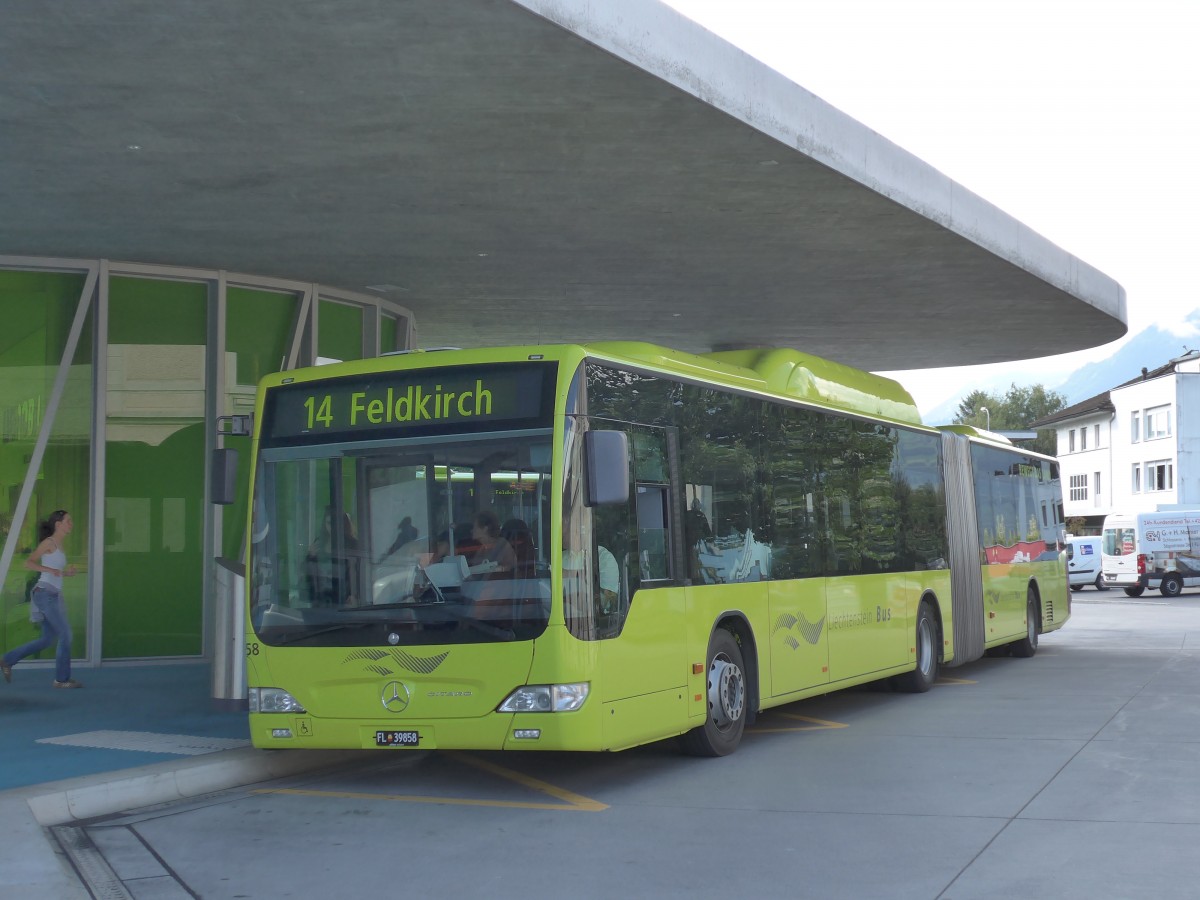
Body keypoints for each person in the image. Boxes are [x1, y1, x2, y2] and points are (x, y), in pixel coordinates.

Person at [2, 509, 83, 688]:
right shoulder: (49, 542)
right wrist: (50, 571)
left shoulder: (60, 546)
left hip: (54, 595)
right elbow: (29, 562)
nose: (71, 524)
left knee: (47, 639)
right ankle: (61, 680)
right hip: (45, 594)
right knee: (65, 634)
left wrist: (66, 573)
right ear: (58, 524)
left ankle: (7, 660)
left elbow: (55, 571)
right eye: (68, 521)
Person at [467, 510, 516, 576]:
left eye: (475, 527)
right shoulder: (482, 548)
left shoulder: (503, 545)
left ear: (485, 529)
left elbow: (510, 568)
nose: (472, 531)